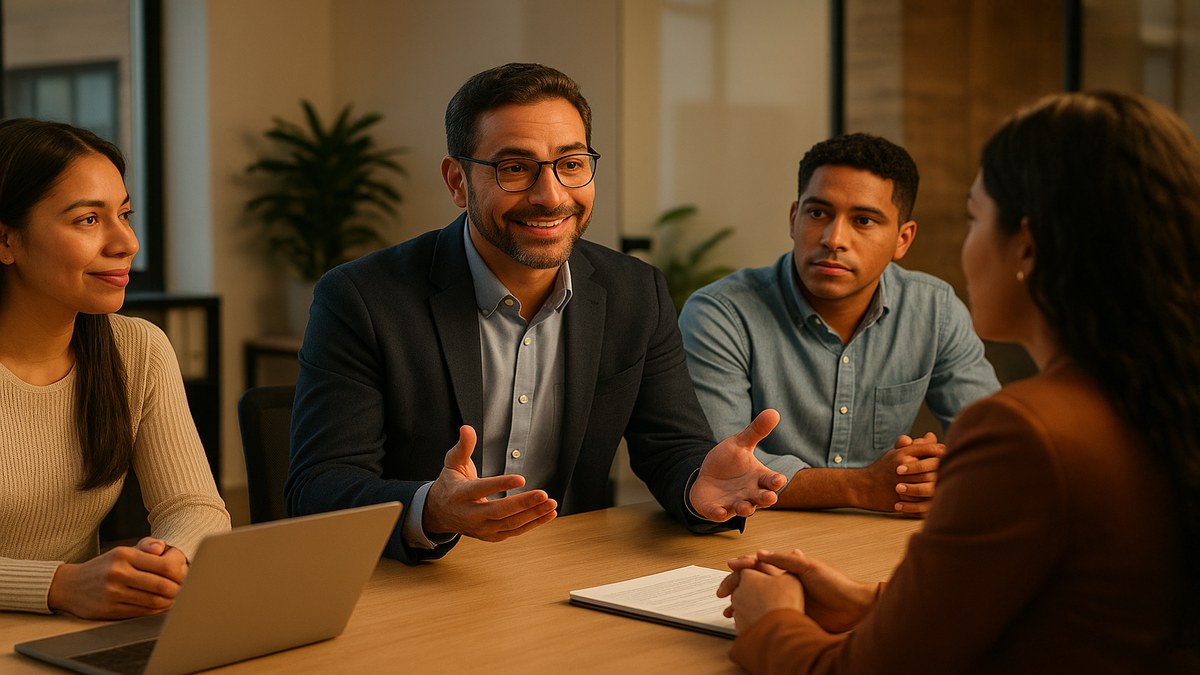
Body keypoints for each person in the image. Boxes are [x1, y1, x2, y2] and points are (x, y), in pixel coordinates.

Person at [716, 91, 1200, 673]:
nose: (834, 238)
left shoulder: (1025, 430)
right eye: (819, 213)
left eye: (974, 218)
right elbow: (1066, 611)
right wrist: (873, 601)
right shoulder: (1159, 398)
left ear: (1026, 248)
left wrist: (770, 620)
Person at [286, 63, 787, 565]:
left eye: (571, 164)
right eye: (514, 168)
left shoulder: (635, 293)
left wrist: (697, 486)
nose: (550, 196)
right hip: (421, 576)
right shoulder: (362, 299)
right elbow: (318, 487)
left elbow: (671, 447)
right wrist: (431, 509)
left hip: (564, 574)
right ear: (458, 181)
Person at [679, 133, 998, 516]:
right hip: (755, 532)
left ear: (902, 239)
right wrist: (862, 487)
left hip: (878, 533)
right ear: (794, 218)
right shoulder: (721, 313)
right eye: (818, 213)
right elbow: (724, 468)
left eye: (863, 220)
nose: (834, 239)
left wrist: (931, 472)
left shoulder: (935, 309)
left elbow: (992, 440)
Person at [0, 119, 231, 619]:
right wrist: (59, 585)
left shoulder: (138, 349)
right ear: (6, 240)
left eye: (124, 214)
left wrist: (166, 560)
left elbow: (194, 506)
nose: (127, 242)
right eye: (88, 219)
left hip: (73, 631)